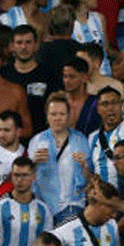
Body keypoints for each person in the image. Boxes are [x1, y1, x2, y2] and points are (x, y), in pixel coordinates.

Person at [27, 92, 90, 224]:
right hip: (43, 206)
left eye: (62, 114)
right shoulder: (37, 140)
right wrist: (34, 163)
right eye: (53, 114)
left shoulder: (80, 139)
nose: (58, 118)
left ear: (68, 116)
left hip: (72, 204)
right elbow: (27, 176)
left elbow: (90, 178)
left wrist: (84, 165)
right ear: (47, 116)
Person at [0, 157, 53, 246]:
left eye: (24, 175)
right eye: (16, 175)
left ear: (33, 177)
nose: (19, 180)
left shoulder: (43, 210)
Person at [0, 25, 61, 135]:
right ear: (12, 46)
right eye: (19, 43)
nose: (24, 47)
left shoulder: (48, 74)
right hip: (9, 138)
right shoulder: (3, 74)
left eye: (28, 42)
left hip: (42, 137)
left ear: (36, 45)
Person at [88, 86, 124, 187]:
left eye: (115, 103)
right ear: (98, 109)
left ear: (121, 105)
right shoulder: (92, 138)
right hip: (103, 198)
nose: (110, 108)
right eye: (105, 104)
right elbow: (91, 171)